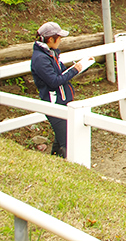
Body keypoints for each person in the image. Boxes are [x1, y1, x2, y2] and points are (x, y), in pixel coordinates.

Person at [31, 22, 83, 159]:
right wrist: (74, 71)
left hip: (61, 100)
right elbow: (54, 81)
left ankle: (54, 162)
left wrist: (80, 66)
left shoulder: (49, 54)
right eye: (59, 37)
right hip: (54, 102)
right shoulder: (41, 59)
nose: (60, 40)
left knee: (61, 138)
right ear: (50, 39)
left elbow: (61, 73)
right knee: (67, 140)